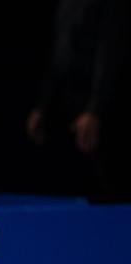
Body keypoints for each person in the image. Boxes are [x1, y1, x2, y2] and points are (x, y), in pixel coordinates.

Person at [26, 0, 130, 202]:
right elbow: (58, 53)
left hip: (104, 113)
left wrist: (94, 110)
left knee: (112, 188)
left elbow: (109, 51)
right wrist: (42, 106)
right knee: (75, 192)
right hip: (66, 108)